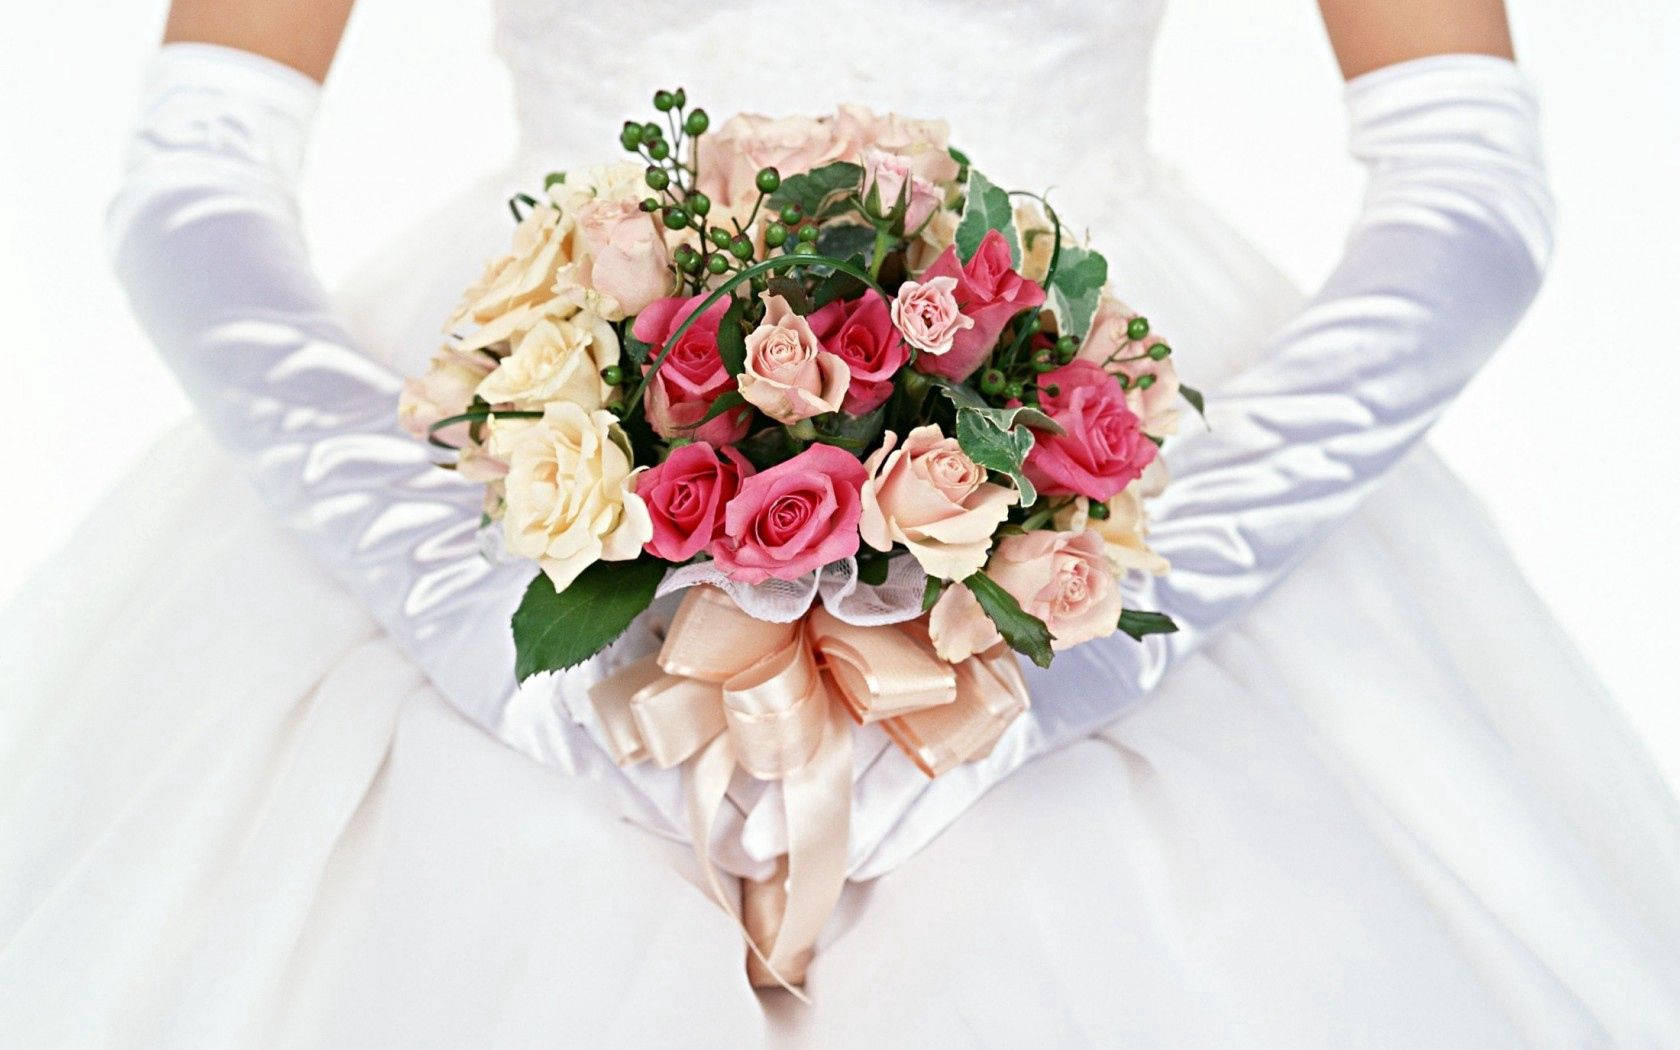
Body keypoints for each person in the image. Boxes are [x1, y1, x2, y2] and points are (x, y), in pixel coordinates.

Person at [3, 0, 1677, 1044]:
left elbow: (1470, 181)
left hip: (1112, 444)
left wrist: (1107, 640)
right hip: (533, 445)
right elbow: (192, 173)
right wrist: (460, 605)